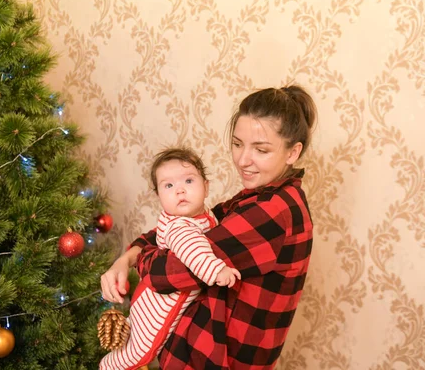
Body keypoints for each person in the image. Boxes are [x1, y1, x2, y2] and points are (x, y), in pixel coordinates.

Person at [101, 85, 316, 369]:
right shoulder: (257, 196)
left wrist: (138, 258)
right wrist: (124, 259)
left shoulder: (273, 211)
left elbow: (168, 273)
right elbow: (187, 226)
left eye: (261, 149)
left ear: (293, 152)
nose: (242, 160)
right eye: (238, 144)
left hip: (218, 359)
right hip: (199, 350)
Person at [99, 147, 241, 370]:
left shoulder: (203, 216)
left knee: (132, 332)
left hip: (150, 297)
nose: (180, 191)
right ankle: (108, 366)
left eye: (188, 181)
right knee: (139, 351)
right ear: (159, 197)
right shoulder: (179, 227)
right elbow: (193, 250)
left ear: (206, 186)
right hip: (160, 305)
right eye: (168, 186)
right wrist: (217, 271)